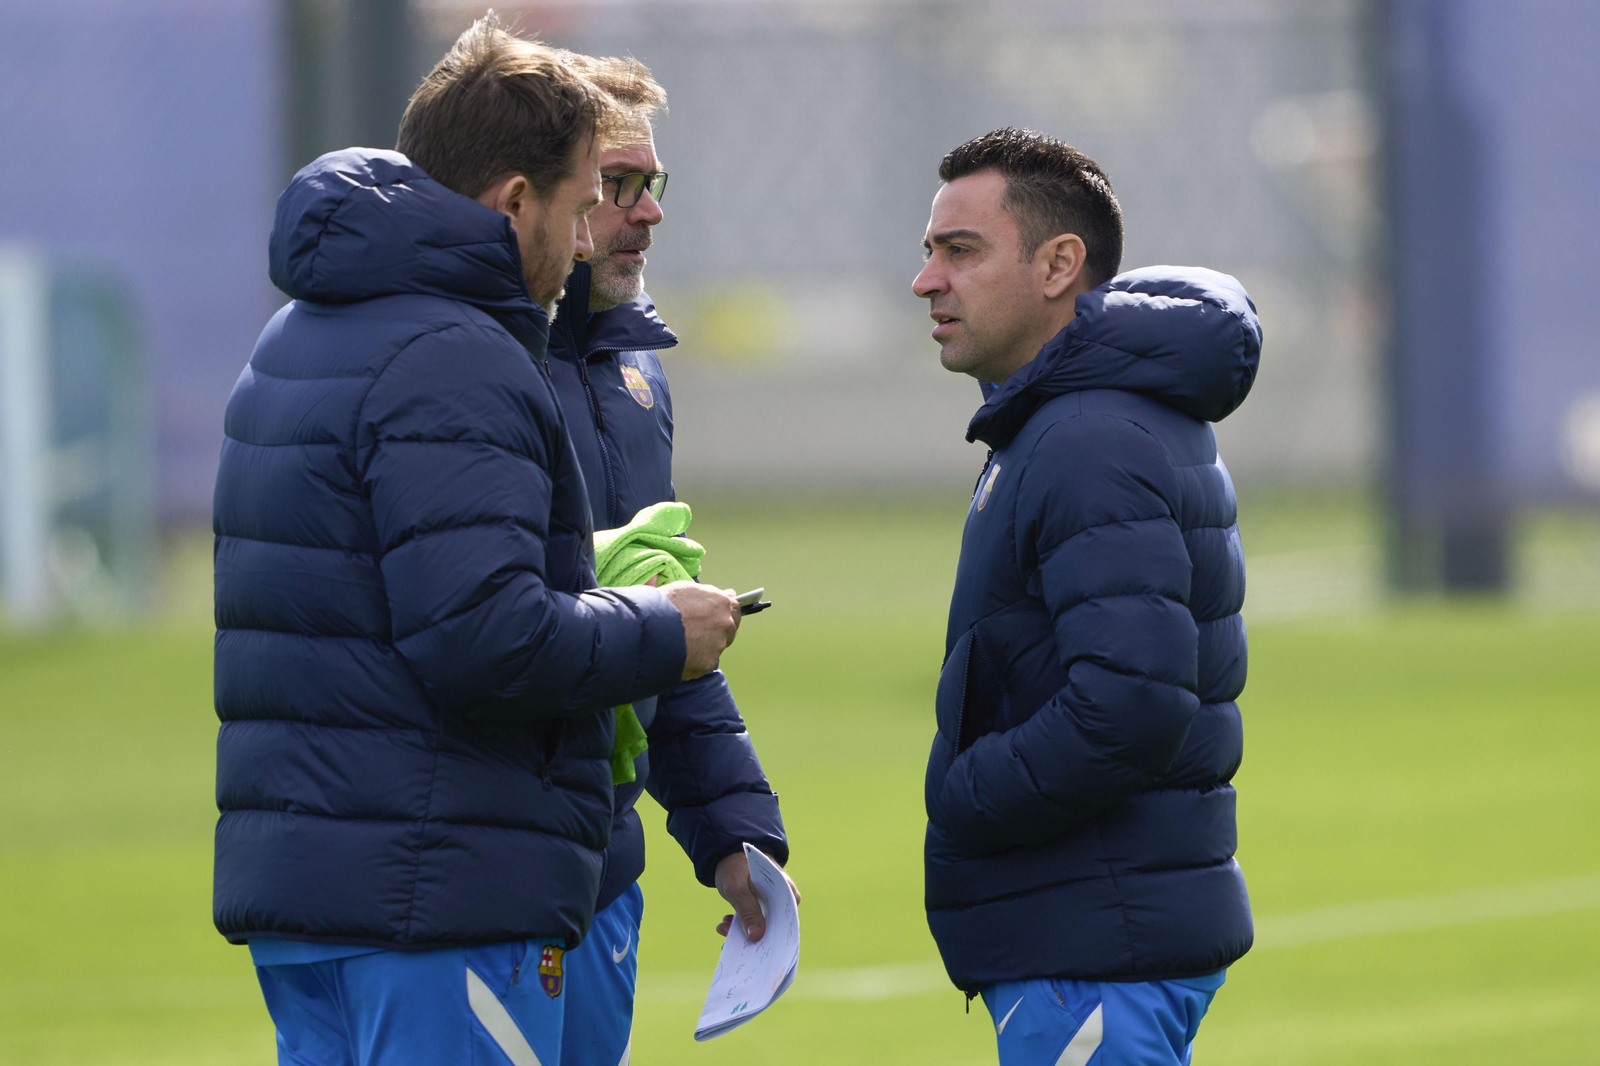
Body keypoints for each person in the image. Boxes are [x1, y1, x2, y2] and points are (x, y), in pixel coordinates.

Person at [211, 18, 743, 1066]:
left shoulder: (303, 330)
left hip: (317, 900)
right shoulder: (457, 352)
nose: (587, 240)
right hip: (441, 894)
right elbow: (482, 636)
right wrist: (657, 629)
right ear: (513, 202)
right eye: (583, 206)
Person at [911, 127, 1261, 1065]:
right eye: (931, 251)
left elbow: (1131, 704)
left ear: (1059, 265)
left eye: (961, 251)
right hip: (1101, 932)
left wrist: (964, 791)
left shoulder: (1086, 436)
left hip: (1095, 946)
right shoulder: (1070, 419)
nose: (927, 280)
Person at [539, 54, 795, 1066]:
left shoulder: (633, 370)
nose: (648, 213)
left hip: (601, 865)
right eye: (618, 184)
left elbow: (657, 621)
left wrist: (732, 830)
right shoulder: (467, 363)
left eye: (652, 183)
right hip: (482, 866)